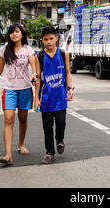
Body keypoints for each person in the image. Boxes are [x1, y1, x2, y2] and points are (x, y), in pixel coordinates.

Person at [0, 24, 38, 167]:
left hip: (25, 89)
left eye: (17, 32)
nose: (14, 34)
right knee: (9, 119)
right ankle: (8, 154)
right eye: (11, 32)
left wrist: (34, 75)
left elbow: (33, 66)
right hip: (9, 89)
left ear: (22, 34)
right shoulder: (4, 49)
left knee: (22, 118)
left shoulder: (28, 50)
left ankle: (21, 144)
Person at [34, 26, 74, 165]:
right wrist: (36, 98)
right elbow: (38, 78)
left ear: (56, 38)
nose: (49, 42)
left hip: (60, 97)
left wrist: (69, 89)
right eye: (46, 39)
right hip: (46, 99)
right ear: (42, 40)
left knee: (61, 123)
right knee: (47, 127)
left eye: (51, 38)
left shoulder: (63, 54)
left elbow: (68, 73)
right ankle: (50, 153)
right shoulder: (39, 56)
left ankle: (60, 140)